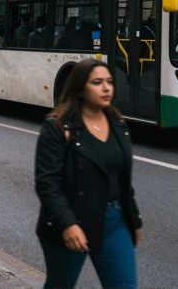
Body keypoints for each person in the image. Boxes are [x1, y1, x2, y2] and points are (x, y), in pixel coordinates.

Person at [35, 58, 142, 289]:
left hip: (114, 220)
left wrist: (133, 218)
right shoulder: (58, 127)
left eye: (109, 82)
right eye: (97, 82)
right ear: (80, 88)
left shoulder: (118, 125)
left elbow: (124, 180)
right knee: (60, 285)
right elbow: (47, 184)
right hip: (73, 218)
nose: (106, 88)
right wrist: (68, 224)